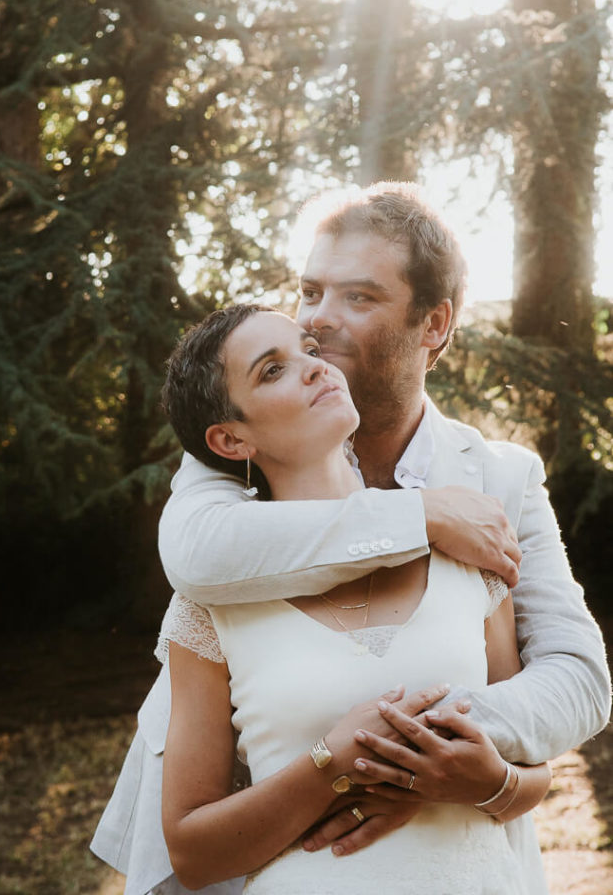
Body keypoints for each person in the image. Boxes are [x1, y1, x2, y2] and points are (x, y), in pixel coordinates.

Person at [91, 183, 610, 895]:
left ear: (433, 325)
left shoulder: (497, 481)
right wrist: (420, 517)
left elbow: (576, 680)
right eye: (309, 292)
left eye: (359, 298)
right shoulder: (229, 462)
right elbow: (195, 558)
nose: (320, 322)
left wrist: (427, 753)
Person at [157, 303, 552, 894]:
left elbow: (532, 774)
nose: (316, 368)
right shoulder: (210, 603)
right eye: (272, 370)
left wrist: (483, 780)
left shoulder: (466, 551)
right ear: (231, 438)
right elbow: (192, 853)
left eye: (309, 352)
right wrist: (330, 764)